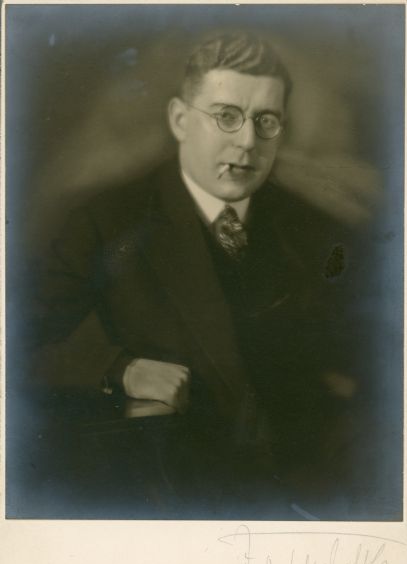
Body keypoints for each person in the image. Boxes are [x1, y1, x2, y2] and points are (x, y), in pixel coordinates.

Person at [29, 32, 354, 518]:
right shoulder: (103, 223)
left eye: (267, 121)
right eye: (226, 115)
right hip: (157, 502)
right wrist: (120, 370)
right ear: (180, 120)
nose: (247, 141)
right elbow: (19, 347)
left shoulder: (318, 230)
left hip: (301, 504)